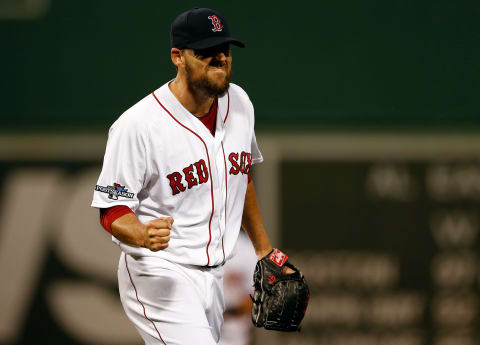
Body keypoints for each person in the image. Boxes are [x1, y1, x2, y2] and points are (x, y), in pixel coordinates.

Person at [91, 7, 280, 345]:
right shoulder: (138, 126)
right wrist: (142, 233)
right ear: (177, 57)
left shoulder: (240, 103)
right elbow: (111, 210)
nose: (219, 58)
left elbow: (240, 175)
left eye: (224, 49)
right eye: (205, 51)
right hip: (160, 271)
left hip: (215, 276)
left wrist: (265, 251)